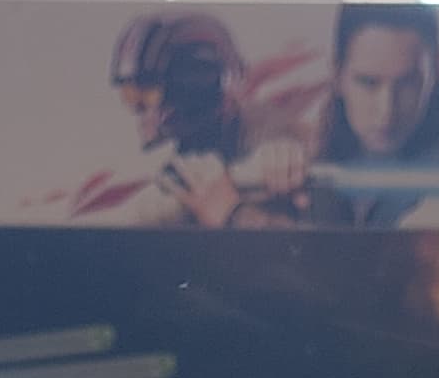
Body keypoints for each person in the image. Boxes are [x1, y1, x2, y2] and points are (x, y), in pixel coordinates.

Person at [107, 12, 304, 227]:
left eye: (146, 94)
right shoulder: (185, 154)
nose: (139, 111)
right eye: (130, 95)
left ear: (193, 87)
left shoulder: (271, 137)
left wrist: (232, 211)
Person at [309, 1, 439, 227]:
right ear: (337, 76)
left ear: (433, 79)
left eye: (407, 84)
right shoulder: (310, 160)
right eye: (368, 83)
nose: (387, 110)